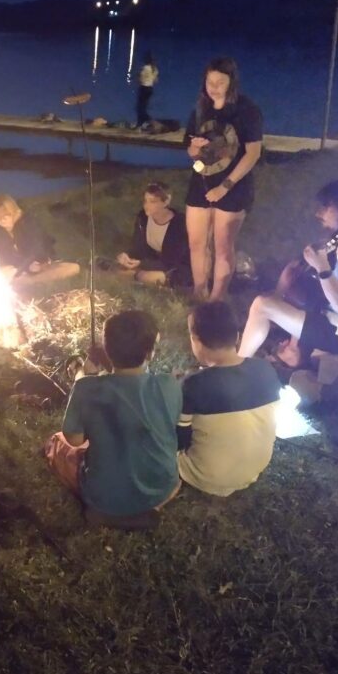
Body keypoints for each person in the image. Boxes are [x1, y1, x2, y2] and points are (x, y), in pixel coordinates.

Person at [43, 310, 181, 526]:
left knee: (57, 443)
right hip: (161, 487)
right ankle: (153, 506)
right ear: (149, 353)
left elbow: (75, 440)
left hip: (103, 498)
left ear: (107, 350)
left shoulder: (86, 388)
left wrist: (83, 373)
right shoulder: (169, 385)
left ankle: (108, 513)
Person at [238, 179, 338, 360]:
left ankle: (239, 363)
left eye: (326, 207)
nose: (318, 213)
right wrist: (281, 291)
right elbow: (301, 268)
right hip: (335, 317)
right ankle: (283, 344)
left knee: (262, 305)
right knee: (288, 288)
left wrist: (322, 267)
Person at [178, 302, 281, 497]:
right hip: (254, 469)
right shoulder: (265, 370)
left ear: (195, 341)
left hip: (205, 476)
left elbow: (179, 439)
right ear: (237, 337)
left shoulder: (193, 385)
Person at [184, 57, 263, 302]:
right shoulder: (201, 109)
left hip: (233, 186)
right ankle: (200, 293)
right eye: (210, 82)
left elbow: (253, 153)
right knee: (197, 243)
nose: (214, 87)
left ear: (231, 82)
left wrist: (224, 186)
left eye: (220, 82)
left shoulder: (246, 110)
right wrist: (195, 148)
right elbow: (190, 150)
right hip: (201, 182)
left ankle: (217, 299)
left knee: (223, 246)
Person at [0, 194, 81, 286]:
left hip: (40, 262)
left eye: (5, 215)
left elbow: (38, 249)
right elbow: (5, 255)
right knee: (1, 274)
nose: (2, 220)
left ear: (13, 212)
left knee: (71, 268)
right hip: (18, 268)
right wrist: (19, 268)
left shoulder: (27, 223)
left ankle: (28, 281)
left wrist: (29, 266)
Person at [114, 181, 191, 286]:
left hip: (176, 267)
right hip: (154, 262)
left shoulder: (179, 224)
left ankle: (136, 276)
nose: (146, 205)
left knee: (148, 276)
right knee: (119, 267)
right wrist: (126, 256)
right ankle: (134, 276)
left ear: (166, 201)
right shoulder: (143, 218)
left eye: (152, 201)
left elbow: (171, 261)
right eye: (145, 201)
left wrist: (142, 264)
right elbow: (137, 247)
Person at [135, 51, 159, 129]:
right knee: (143, 107)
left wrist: (138, 76)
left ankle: (149, 120)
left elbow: (140, 79)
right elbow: (156, 80)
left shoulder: (145, 68)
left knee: (140, 108)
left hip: (144, 88)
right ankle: (140, 124)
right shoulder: (155, 69)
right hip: (150, 89)